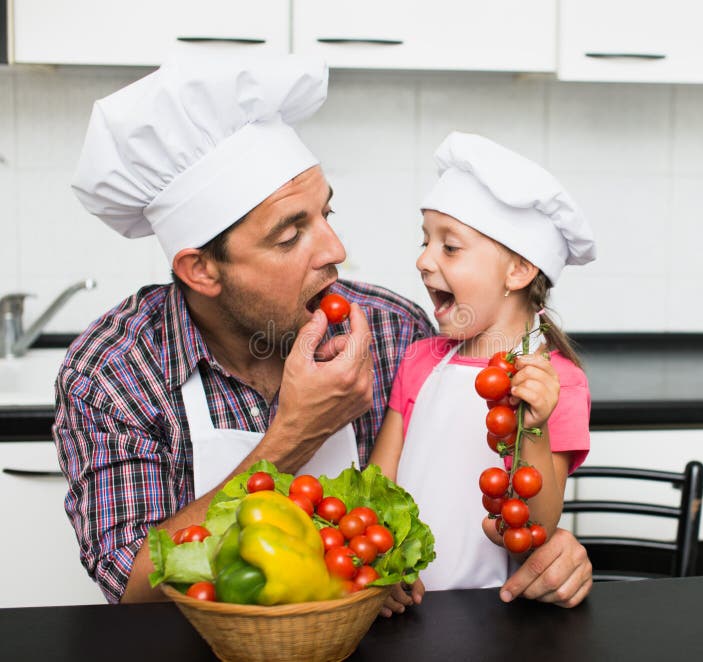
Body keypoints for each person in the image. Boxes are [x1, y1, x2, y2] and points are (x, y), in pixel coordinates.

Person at [54, 43, 592, 610]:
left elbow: (470, 485)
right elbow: (135, 586)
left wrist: (551, 549)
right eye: (290, 236)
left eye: (325, 216)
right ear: (202, 269)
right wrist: (293, 437)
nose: (336, 250)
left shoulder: (392, 330)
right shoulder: (113, 373)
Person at [370, 132, 596, 612]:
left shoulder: (561, 383)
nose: (423, 260)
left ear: (517, 271)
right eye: (424, 240)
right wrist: (375, 568)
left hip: (497, 614)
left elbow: (539, 525)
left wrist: (532, 427)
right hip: (402, 608)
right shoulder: (420, 361)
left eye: (449, 247)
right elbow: (377, 487)